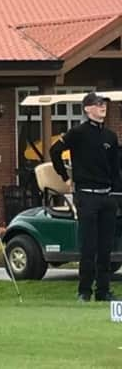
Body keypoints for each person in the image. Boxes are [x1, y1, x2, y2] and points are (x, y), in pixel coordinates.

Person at [50, 92, 120, 302]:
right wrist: (65, 177)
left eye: (104, 104)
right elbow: (55, 151)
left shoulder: (110, 136)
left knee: (105, 246)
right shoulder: (78, 133)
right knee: (88, 246)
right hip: (86, 196)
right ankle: (84, 290)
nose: (102, 108)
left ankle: (103, 290)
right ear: (87, 109)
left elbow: (115, 168)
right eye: (98, 104)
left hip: (107, 197)